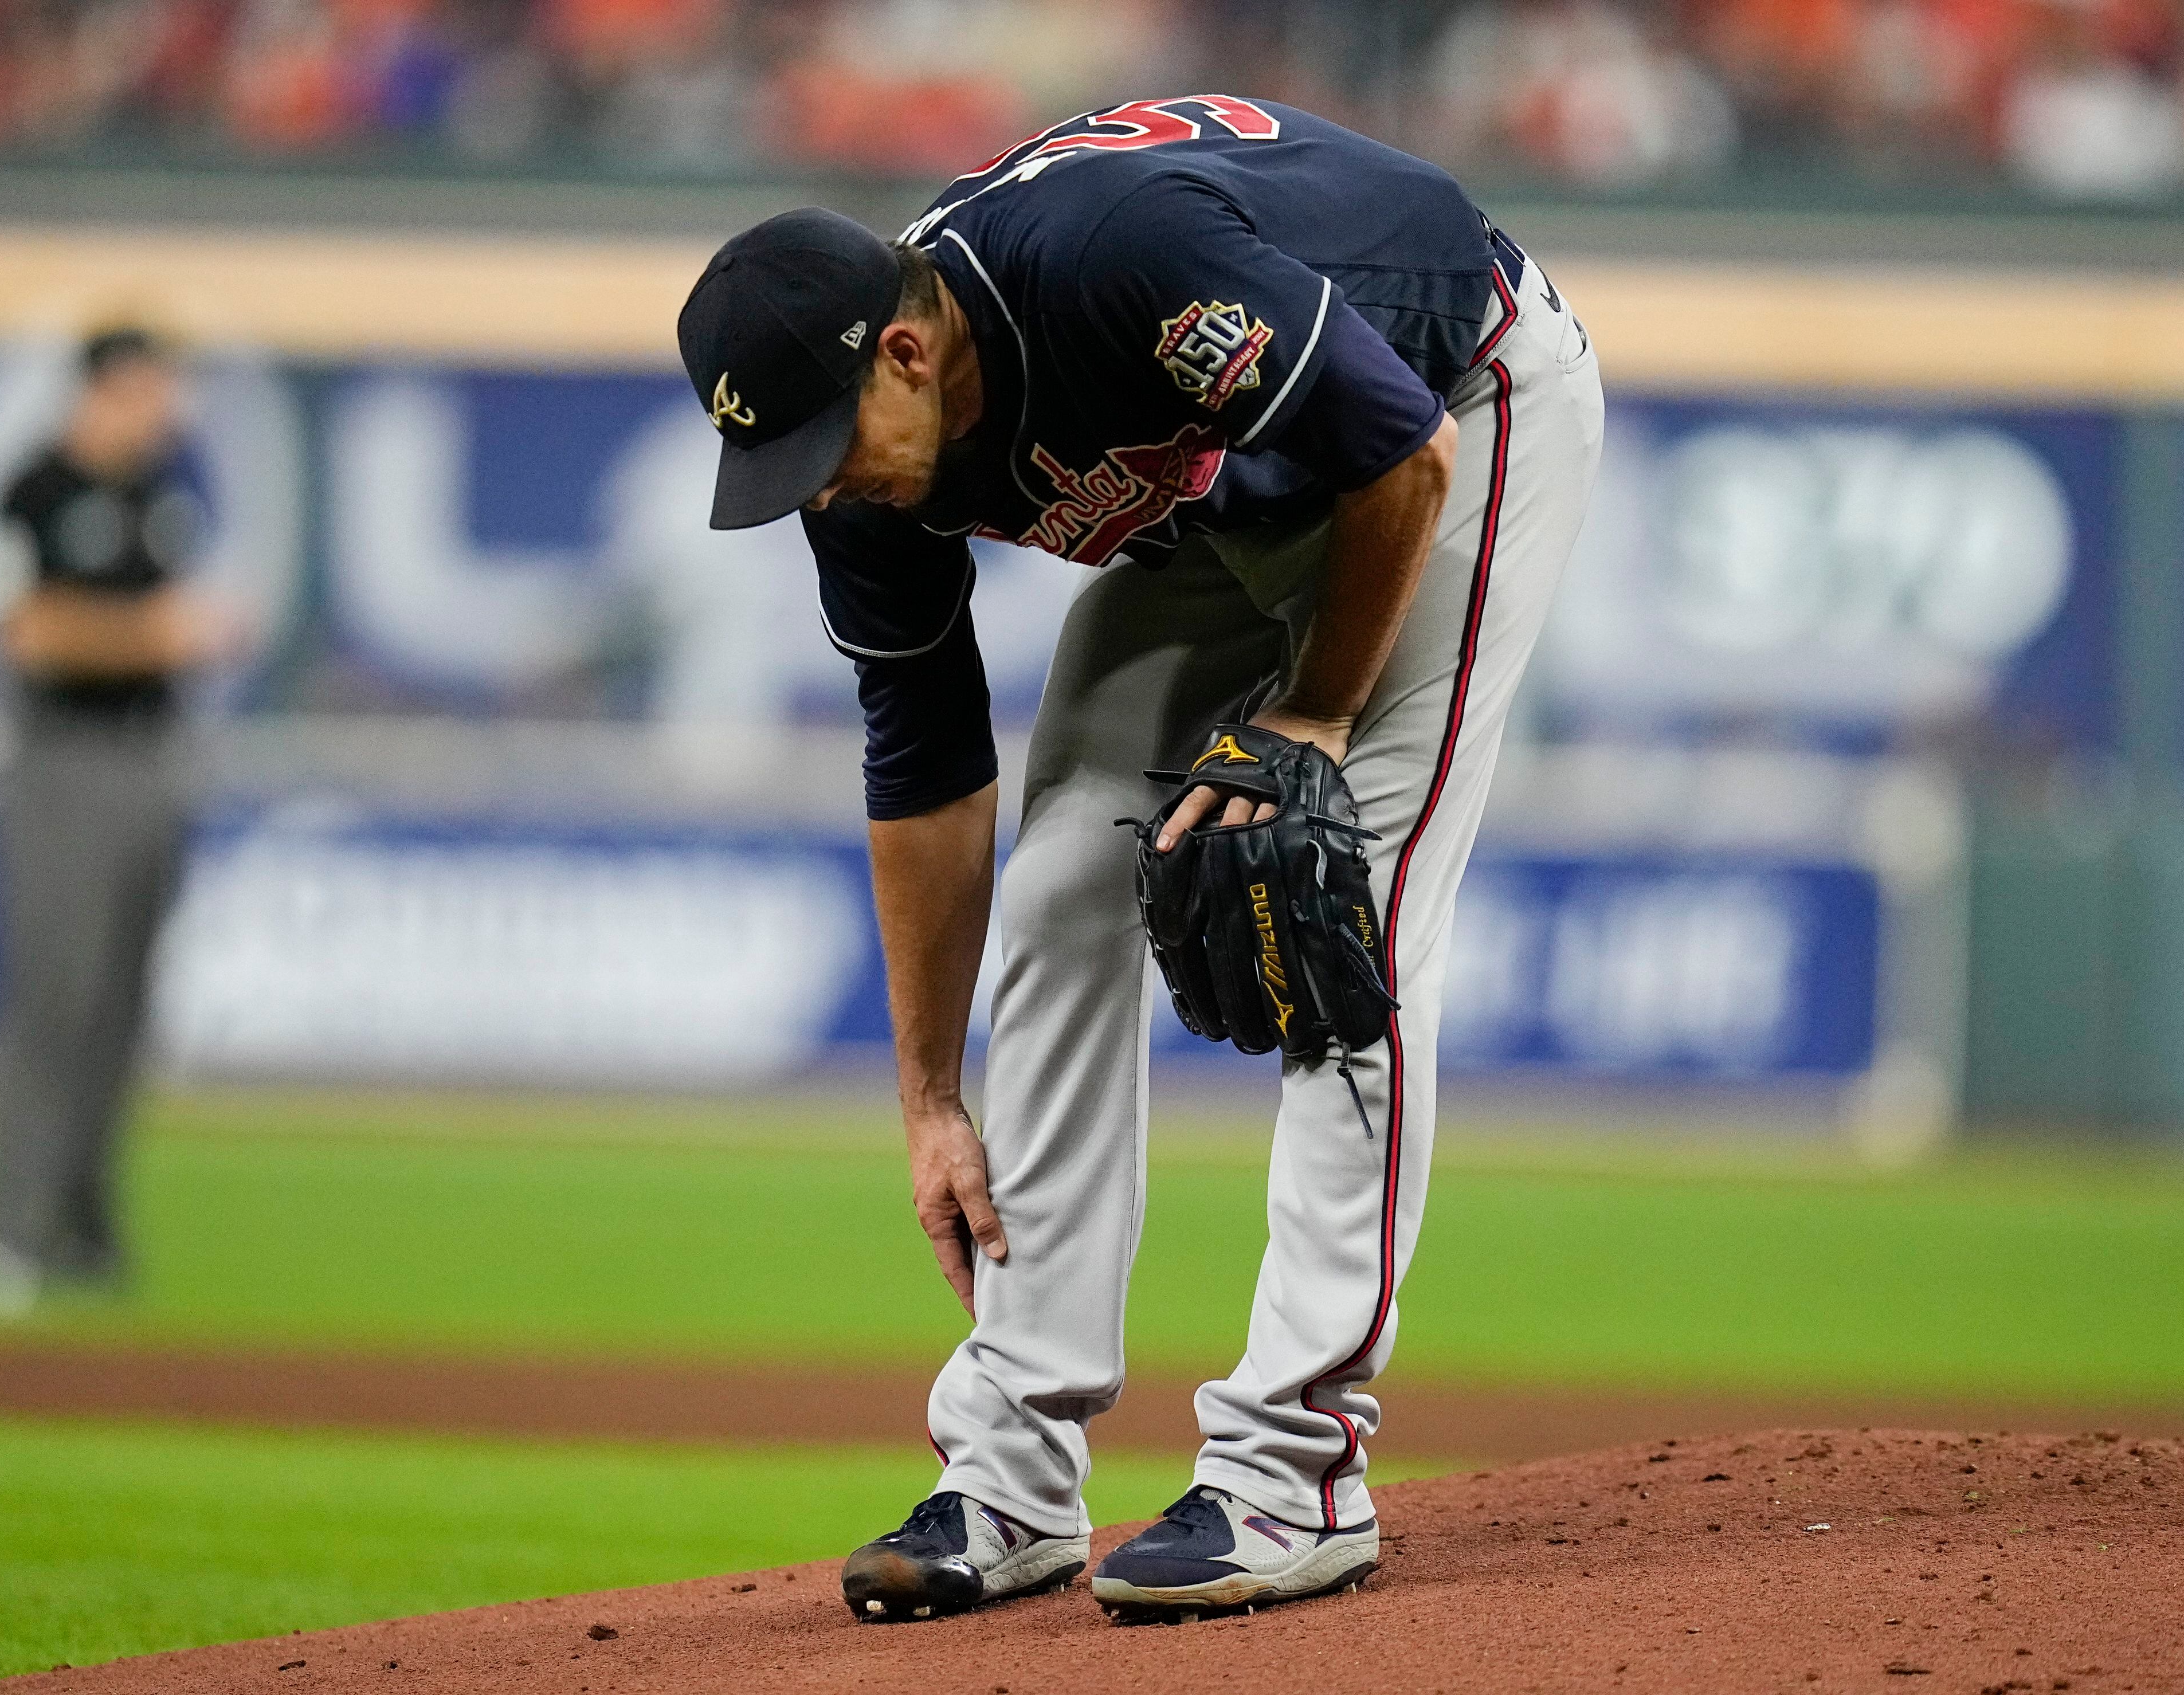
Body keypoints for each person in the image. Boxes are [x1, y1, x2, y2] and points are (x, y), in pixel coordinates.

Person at [676, 95, 1603, 1623]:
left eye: (822, 447)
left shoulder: (1111, 262)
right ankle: (1011, 1468)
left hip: (1455, 411)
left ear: (901, 352)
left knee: (1339, 909)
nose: (819, 487)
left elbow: (1395, 453)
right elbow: (921, 762)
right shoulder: (869, 461)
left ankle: (1294, 1469)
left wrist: (1310, 714)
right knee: (1058, 882)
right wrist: (925, 1094)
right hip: (1225, 498)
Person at [0, 327, 238, 1320]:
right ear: (103, 390)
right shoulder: (32, 492)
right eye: (153, 392)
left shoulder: (156, 498)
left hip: (151, 758)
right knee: (55, 999)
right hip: (62, 764)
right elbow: (24, 630)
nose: (169, 412)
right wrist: (157, 634)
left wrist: (181, 636)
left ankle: (82, 1228)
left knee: (123, 1009)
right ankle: (8, 1231)